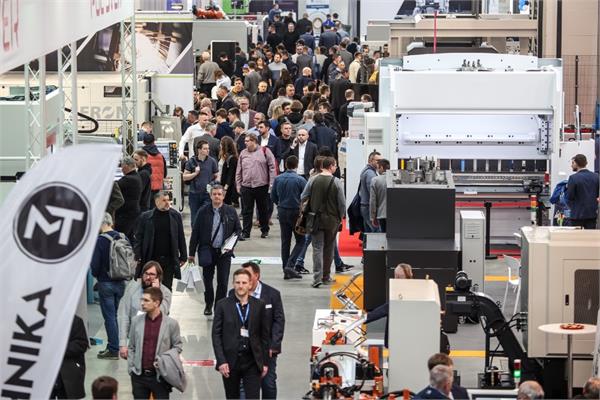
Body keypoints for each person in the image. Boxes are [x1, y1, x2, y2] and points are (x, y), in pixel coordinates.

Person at [212, 269, 270, 400]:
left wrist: (265, 362)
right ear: (233, 284)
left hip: (252, 361)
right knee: (232, 396)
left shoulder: (259, 305)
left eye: (244, 282)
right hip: (230, 362)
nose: (240, 285)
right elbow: (216, 335)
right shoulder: (222, 305)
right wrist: (221, 361)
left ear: (250, 284)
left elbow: (264, 336)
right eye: (237, 282)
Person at [189, 185, 241, 316]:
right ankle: (208, 303)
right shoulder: (203, 211)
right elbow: (195, 233)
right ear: (210, 195)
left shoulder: (230, 211)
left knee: (223, 281)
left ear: (223, 196)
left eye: (219, 194)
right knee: (207, 280)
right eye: (214, 194)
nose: (217, 196)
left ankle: (219, 306)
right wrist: (191, 253)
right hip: (207, 250)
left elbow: (238, 230)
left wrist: (231, 243)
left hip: (225, 253)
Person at [127, 287, 182, 400]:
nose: (142, 303)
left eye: (146, 300)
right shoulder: (136, 321)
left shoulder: (171, 324)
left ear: (156, 303)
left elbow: (177, 346)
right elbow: (131, 346)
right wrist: (131, 368)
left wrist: (164, 361)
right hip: (139, 376)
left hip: (160, 377)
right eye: (142, 300)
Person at [240, 262, 285, 399]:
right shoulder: (235, 293)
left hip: (266, 349)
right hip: (244, 349)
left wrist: (275, 344)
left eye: (248, 275)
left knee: (268, 383)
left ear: (257, 275)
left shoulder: (272, 294)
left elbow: (279, 320)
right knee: (244, 385)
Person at [301, 157, 346, 287]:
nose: (336, 168)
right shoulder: (337, 182)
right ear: (331, 166)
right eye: (335, 165)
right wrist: (340, 217)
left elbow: (303, 196)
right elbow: (342, 203)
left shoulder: (313, 179)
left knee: (317, 248)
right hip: (332, 220)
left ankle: (316, 279)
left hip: (315, 219)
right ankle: (326, 276)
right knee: (329, 247)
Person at [90, 213, 129, 359]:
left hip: (105, 282)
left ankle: (113, 349)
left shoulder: (100, 241)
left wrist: (97, 275)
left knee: (110, 317)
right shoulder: (123, 237)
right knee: (119, 316)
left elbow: (95, 265)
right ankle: (120, 345)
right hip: (121, 282)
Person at [118, 261, 172, 360]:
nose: (147, 277)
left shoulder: (166, 293)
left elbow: (162, 313)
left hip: (157, 342)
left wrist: (157, 293)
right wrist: (122, 344)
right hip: (136, 340)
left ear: (158, 277)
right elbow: (124, 315)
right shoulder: (132, 289)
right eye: (146, 273)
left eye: (152, 274)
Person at [135, 191, 187, 291]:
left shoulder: (175, 216)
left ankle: (164, 306)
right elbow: (139, 237)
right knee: (150, 287)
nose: (167, 203)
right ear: (156, 201)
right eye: (164, 200)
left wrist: (183, 255)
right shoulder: (146, 217)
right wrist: (138, 255)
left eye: (168, 200)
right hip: (151, 258)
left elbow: (180, 236)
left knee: (167, 288)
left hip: (169, 259)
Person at [236, 134, 277, 240]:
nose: (245, 143)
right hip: (246, 186)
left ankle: (264, 230)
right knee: (246, 210)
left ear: (254, 141)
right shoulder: (243, 153)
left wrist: (271, 184)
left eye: (247, 141)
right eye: (245, 141)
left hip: (261, 185)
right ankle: (245, 232)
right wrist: (238, 184)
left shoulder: (265, 151)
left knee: (262, 209)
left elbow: (272, 168)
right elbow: (239, 170)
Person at [271, 156, 306, 279]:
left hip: (282, 210)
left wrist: (280, 204)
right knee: (301, 240)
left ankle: (285, 269)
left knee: (285, 241)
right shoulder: (300, 180)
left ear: (285, 165)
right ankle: (290, 265)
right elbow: (306, 197)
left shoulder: (278, 179)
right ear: (296, 165)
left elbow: (273, 196)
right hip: (296, 212)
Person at [365, 264, 413, 346]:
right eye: (395, 275)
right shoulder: (401, 288)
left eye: (399, 276)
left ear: (408, 276)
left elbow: (385, 309)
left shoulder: (404, 294)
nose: (396, 279)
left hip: (401, 336)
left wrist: (364, 318)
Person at [51, 316, 88, 399]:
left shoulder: (75, 321)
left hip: (68, 373)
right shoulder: (42, 322)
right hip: (46, 375)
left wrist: (58, 350)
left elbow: (81, 344)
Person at [183, 140, 219, 226]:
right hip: (194, 194)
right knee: (195, 218)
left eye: (208, 148)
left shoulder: (212, 161)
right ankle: (195, 237)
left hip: (207, 194)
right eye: (205, 148)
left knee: (206, 217)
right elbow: (184, 177)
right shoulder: (192, 161)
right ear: (199, 150)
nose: (208, 150)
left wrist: (213, 184)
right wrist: (195, 173)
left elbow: (217, 175)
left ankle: (205, 237)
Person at [566, 154, 599, 229]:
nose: (571, 165)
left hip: (577, 215)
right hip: (592, 214)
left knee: (577, 238)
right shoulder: (596, 176)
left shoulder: (573, 178)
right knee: (590, 238)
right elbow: (597, 194)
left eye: (572, 163)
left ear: (576, 163)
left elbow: (570, 196)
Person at [115, 156, 142, 240]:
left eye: (122, 167)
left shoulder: (128, 179)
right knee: (130, 238)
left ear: (126, 166)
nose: (122, 169)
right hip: (133, 212)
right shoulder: (137, 176)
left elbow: (114, 186)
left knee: (121, 238)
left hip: (126, 215)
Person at [359, 151, 382, 233]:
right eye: (377, 160)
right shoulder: (370, 174)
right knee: (377, 232)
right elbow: (373, 193)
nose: (380, 163)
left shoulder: (367, 171)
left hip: (365, 206)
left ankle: (366, 246)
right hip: (368, 207)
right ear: (370, 160)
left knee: (368, 232)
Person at [142, 134, 167, 198]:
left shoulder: (142, 156)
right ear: (154, 141)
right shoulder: (160, 156)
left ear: (143, 142)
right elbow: (165, 174)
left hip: (146, 188)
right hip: (158, 187)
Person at [219, 136, 240, 206]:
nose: (220, 146)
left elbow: (230, 174)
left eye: (221, 144)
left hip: (227, 187)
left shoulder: (232, 158)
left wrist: (225, 187)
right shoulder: (226, 156)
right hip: (223, 184)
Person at [370, 158, 390, 232]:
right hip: (394, 214)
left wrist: (373, 217)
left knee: (384, 237)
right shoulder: (395, 179)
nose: (377, 170)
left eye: (378, 168)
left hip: (382, 214)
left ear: (381, 167)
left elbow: (373, 200)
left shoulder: (375, 180)